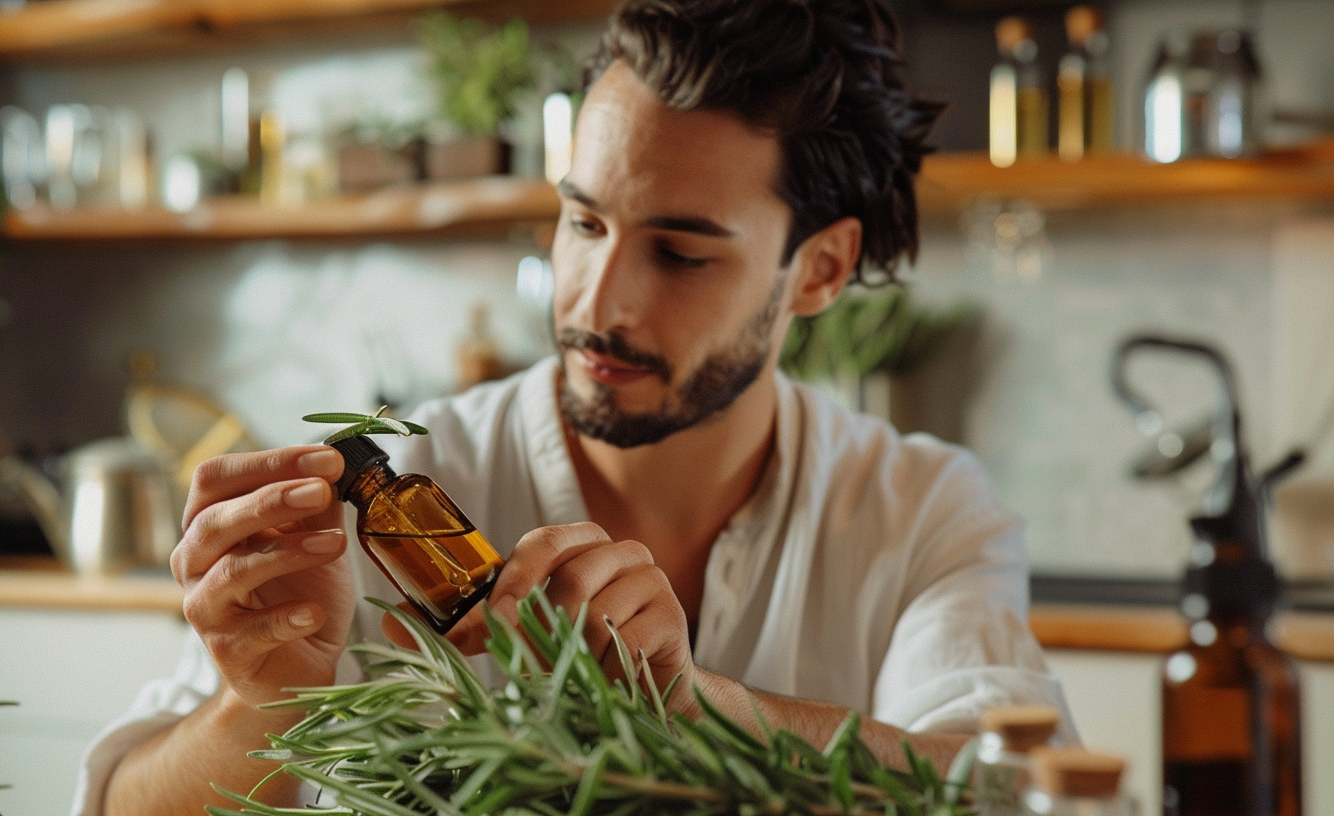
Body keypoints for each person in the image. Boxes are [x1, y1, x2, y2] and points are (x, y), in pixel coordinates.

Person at [81, 1, 1073, 813]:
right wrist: (262, 708)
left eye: (680, 253)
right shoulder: (404, 498)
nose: (598, 302)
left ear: (819, 269)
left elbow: (1021, 791)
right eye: (582, 222)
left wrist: (703, 713)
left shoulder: (922, 509)